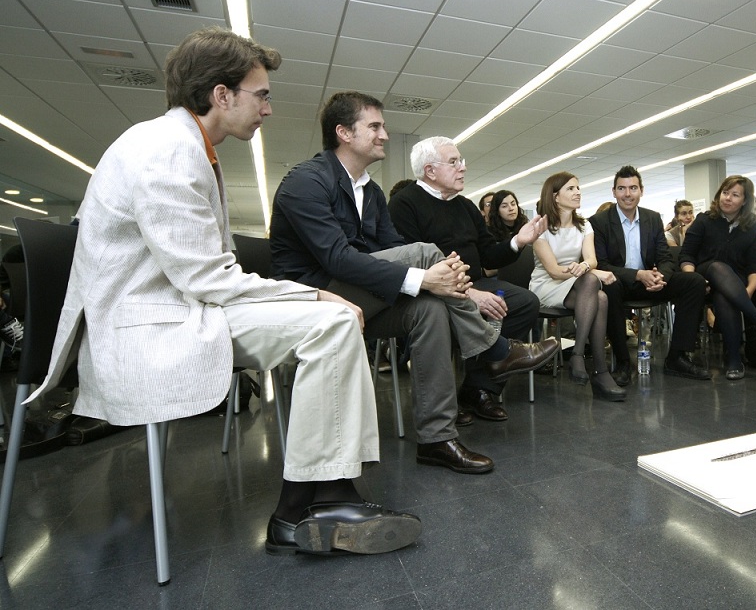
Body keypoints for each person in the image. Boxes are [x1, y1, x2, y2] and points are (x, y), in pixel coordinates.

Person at [29, 28, 421, 557]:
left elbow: (204, 275)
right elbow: (207, 277)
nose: (268, 109)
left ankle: (313, 501)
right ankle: (312, 502)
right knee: (331, 321)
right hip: (153, 324)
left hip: (184, 308)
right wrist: (314, 296)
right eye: (261, 95)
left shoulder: (188, 145)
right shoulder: (164, 150)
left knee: (334, 324)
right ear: (221, 95)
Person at [270, 92, 557, 470]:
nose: (385, 135)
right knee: (423, 253)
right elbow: (335, 258)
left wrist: (434, 284)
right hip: (316, 297)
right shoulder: (306, 181)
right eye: (374, 126)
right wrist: (425, 276)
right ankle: (497, 351)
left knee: (429, 309)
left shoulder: (370, 191)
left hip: (363, 298)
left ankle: (436, 439)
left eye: (383, 126)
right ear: (343, 133)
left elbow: (391, 248)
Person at [388, 137, 556, 421]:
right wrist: (469, 295)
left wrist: (518, 240)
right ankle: (497, 360)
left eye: (461, 161)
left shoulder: (466, 206)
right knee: (451, 311)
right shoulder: (404, 204)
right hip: (432, 290)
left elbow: (489, 256)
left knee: (525, 302)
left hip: (476, 282)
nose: (463, 168)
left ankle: (479, 389)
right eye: (454, 162)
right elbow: (414, 262)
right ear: (430, 171)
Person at [591, 166, 709, 383]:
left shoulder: (652, 218)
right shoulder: (599, 222)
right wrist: (638, 275)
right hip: (620, 282)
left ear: (641, 191)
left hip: (651, 282)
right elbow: (602, 264)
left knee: (694, 281)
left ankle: (677, 357)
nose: (628, 194)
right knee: (609, 286)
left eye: (633, 188)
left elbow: (665, 257)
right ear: (614, 192)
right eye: (622, 188)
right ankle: (624, 362)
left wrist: (659, 277)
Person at [531, 172, 624, 401]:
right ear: (555, 196)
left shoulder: (584, 225)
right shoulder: (539, 226)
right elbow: (552, 270)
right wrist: (587, 271)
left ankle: (580, 355)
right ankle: (596, 370)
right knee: (595, 289)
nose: (578, 192)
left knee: (600, 297)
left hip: (576, 283)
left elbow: (591, 259)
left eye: (578, 188)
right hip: (546, 284)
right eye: (571, 189)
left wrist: (585, 268)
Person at [680, 175, 756, 380]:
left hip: (736, 284)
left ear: (745, 201)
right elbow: (687, 254)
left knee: (725, 296)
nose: (728, 198)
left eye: (735, 195)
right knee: (718, 267)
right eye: (725, 193)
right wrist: (693, 280)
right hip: (704, 276)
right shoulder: (705, 220)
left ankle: (734, 360)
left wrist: (747, 291)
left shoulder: (752, 228)